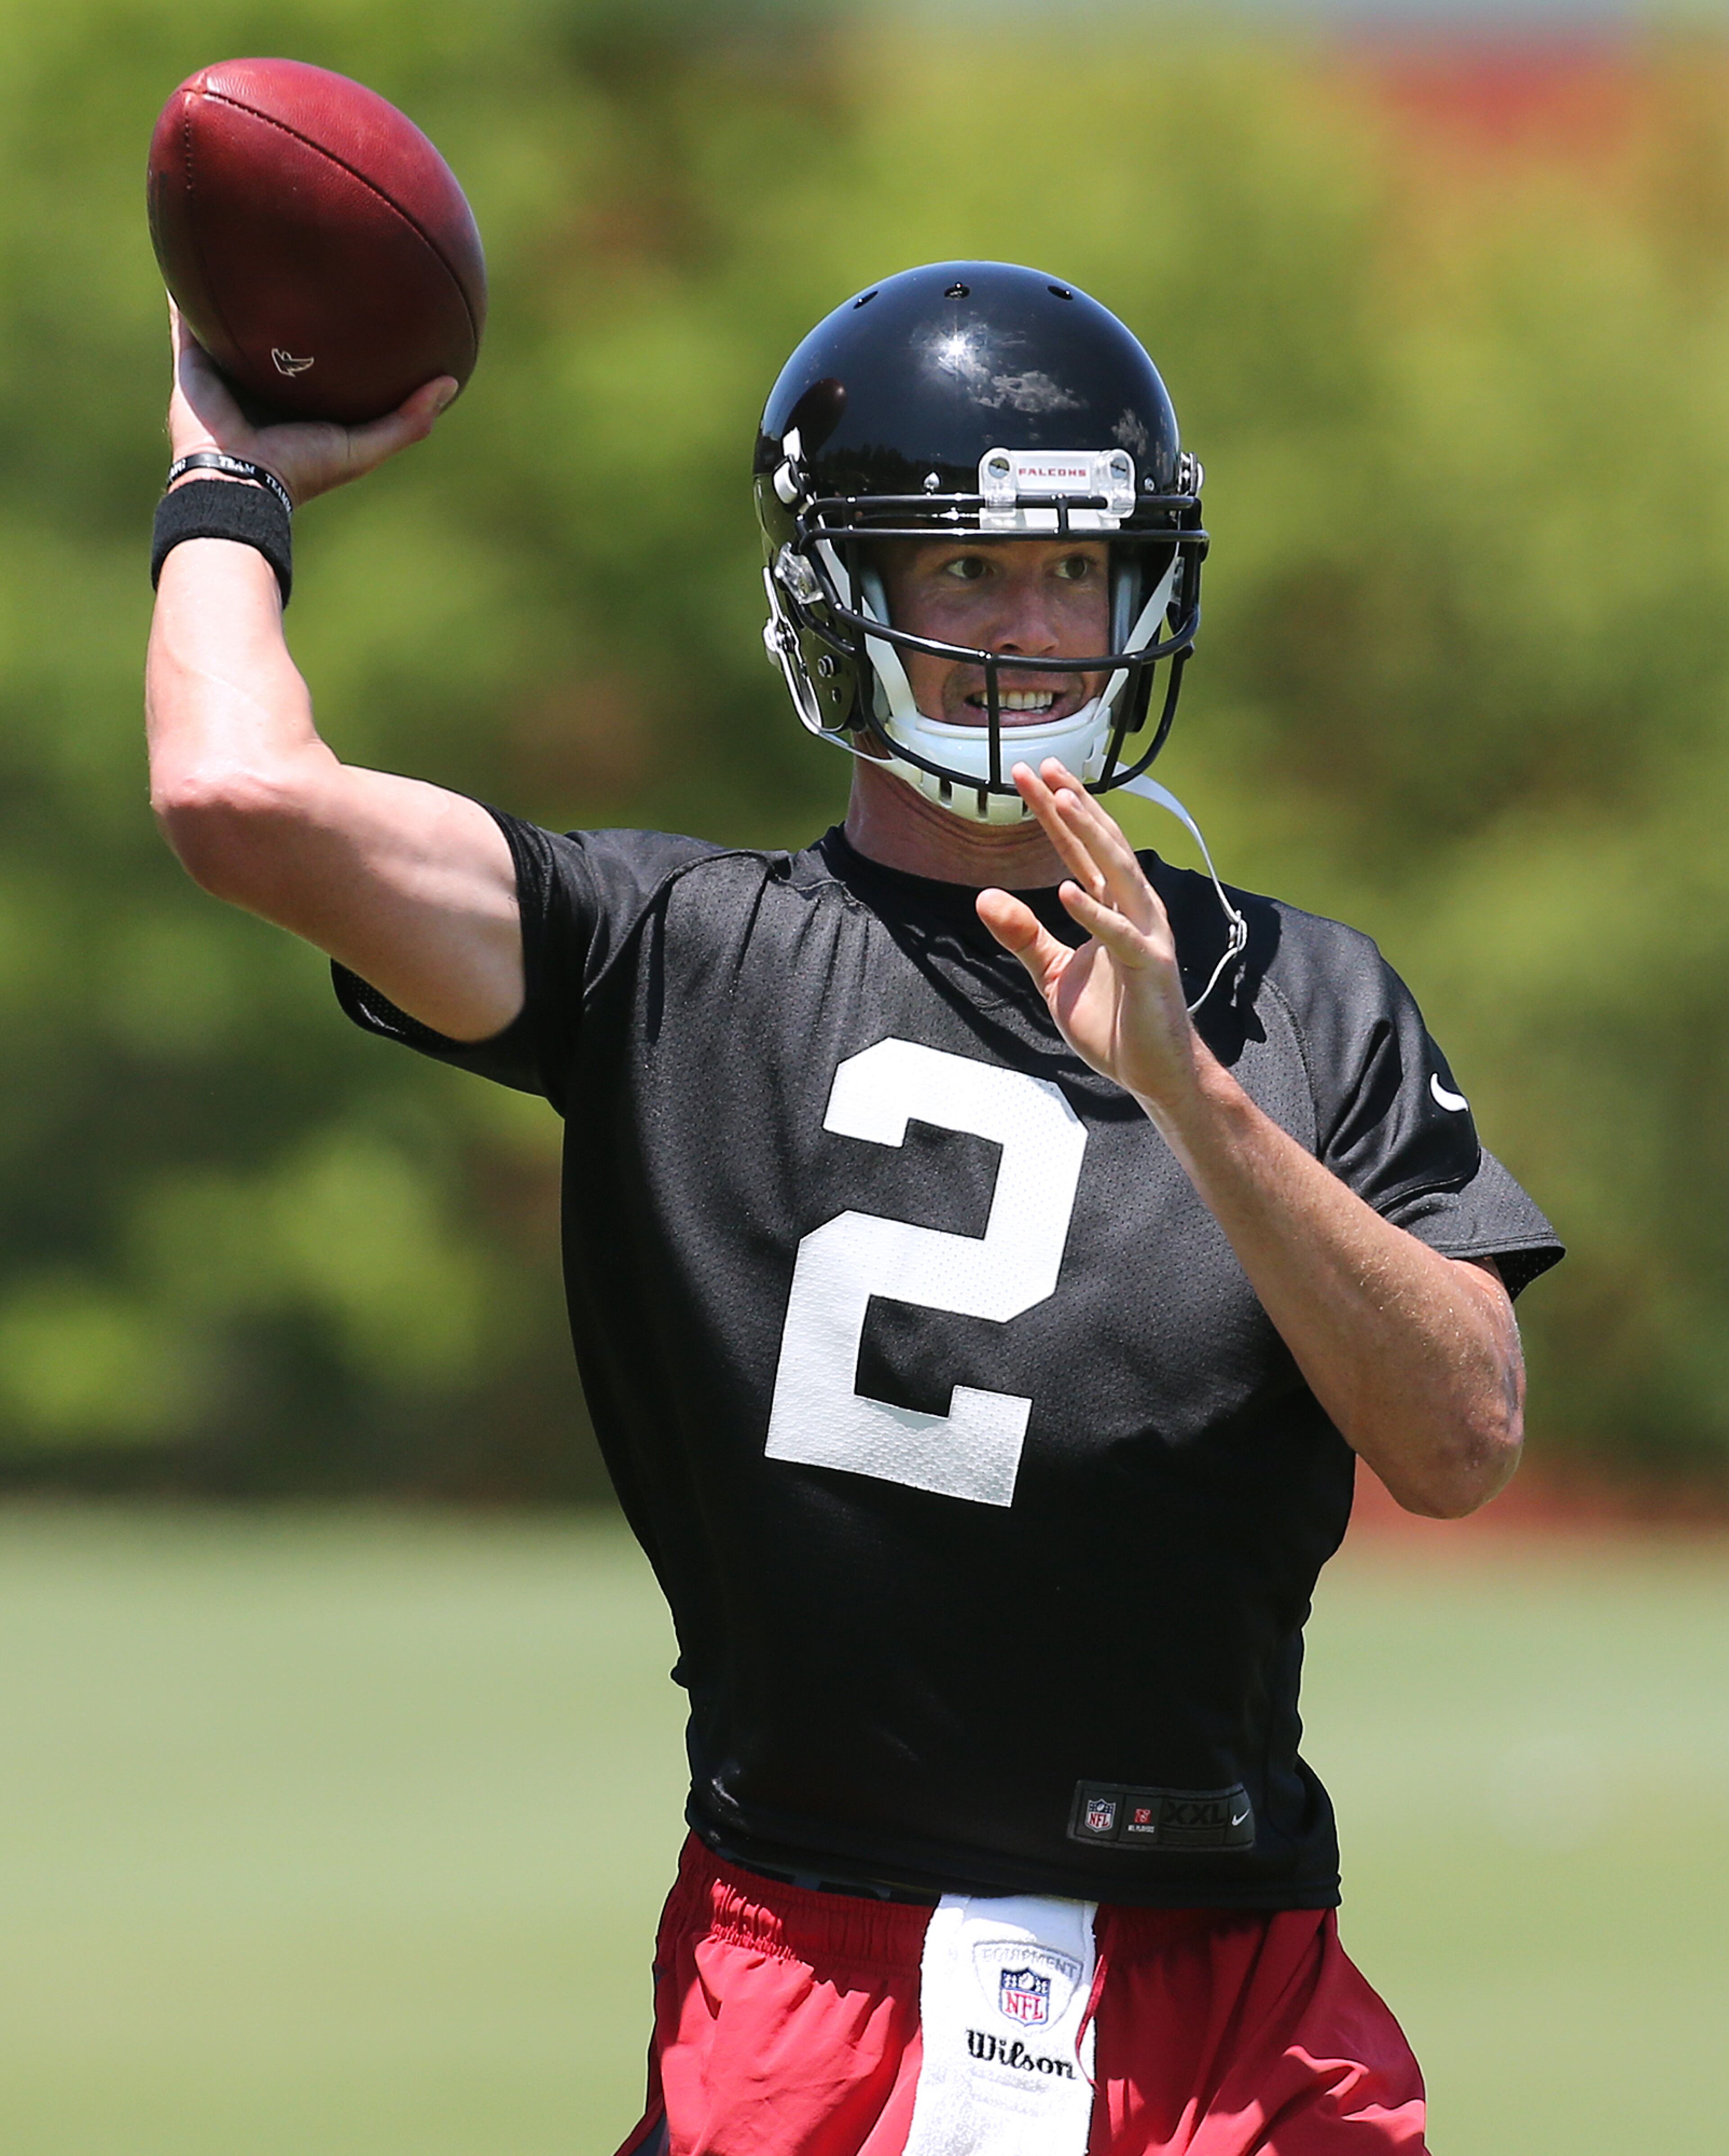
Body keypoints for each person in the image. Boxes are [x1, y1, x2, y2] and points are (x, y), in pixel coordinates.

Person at [146, 261, 1561, 2156]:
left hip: (1231, 1997)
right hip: (810, 1979)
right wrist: (222, 486)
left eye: (1075, 566)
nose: (1037, 629)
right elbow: (238, 793)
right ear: (842, 595)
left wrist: (1194, 1092)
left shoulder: (1301, 1002)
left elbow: (1462, 1437)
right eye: (966, 573)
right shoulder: (677, 959)